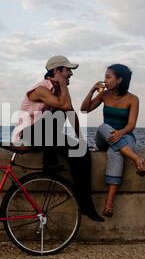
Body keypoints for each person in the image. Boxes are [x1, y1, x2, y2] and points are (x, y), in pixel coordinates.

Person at [12, 55, 104, 222]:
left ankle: (86, 204)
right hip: (28, 135)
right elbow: (65, 107)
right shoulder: (40, 89)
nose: (71, 74)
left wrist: (81, 141)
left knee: (81, 153)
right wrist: (62, 84)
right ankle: (49, 163)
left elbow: (71, 112)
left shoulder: (56, 91)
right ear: (56, 71)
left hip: (47, 137)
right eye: (67, 70)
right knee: (60, 111)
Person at [80, 64, 145, 217]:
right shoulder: (104, 95)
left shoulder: (133, 99)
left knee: (116, 153)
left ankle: (109, 202)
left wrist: (121, 132)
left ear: (119, 80)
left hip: (125, 136)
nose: (105, 80)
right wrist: (92, 90)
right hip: (104, 137)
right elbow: (84, 109)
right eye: (105, 76)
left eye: (108, 77)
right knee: (104, 126)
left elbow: (131, 125)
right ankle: (136, 158)